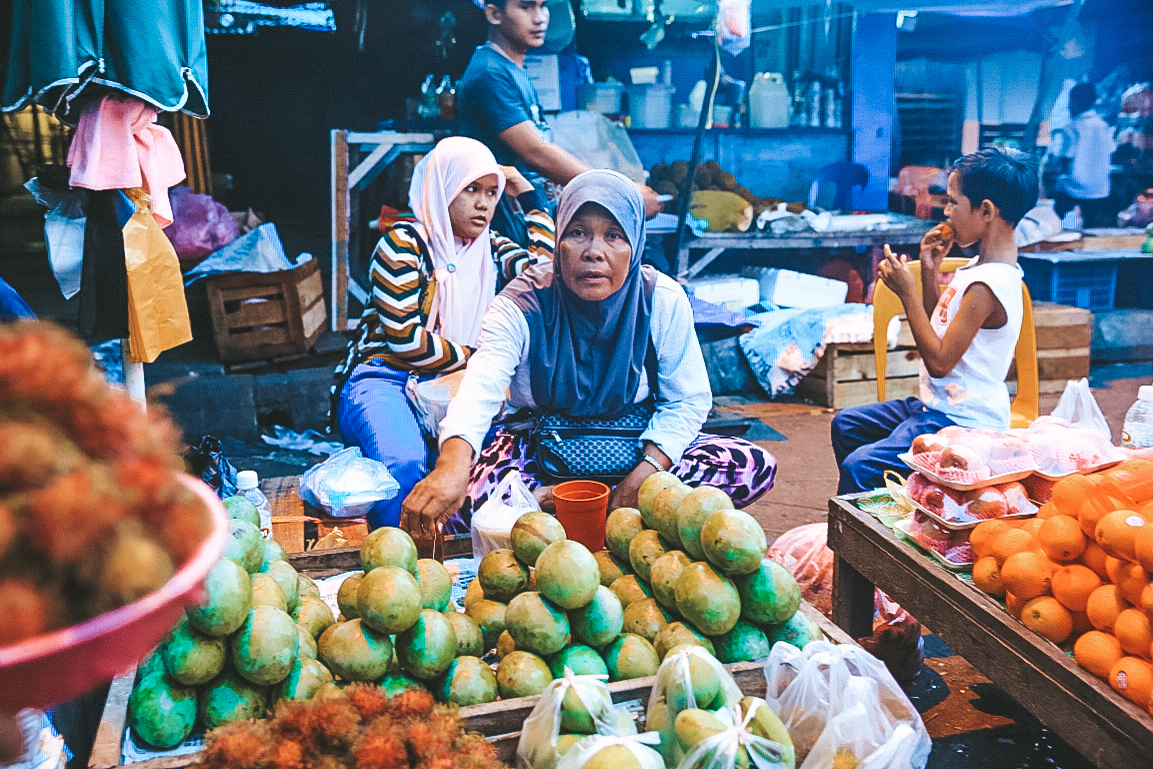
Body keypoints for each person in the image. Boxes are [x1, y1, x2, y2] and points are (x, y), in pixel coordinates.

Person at [401, 169, 777, 535]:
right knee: (464, 504)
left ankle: (566, 512)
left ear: (636, 243)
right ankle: (573, 509)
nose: (594, 252)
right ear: (558, 238)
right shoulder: (521, 304)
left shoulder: (660, 298)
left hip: (634, 445)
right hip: (541, 444)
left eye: (613, 236)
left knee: (751, 467)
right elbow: (479, 391)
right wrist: (451, 465)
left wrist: (641, 479)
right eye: (578, 233)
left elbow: (687, 401)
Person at [330, 136, 554, 530]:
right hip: (386, 374)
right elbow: (405, 339)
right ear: (442, 187)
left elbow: (545, 278)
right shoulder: (402, 245)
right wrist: (483, 357)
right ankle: (397, 554)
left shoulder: (492, 249)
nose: (484, 203)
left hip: (452, 380)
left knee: (493, 459)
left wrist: (531, 198)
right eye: (471, 189)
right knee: (403, 461)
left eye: (492, 192)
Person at [832, 148, 1038, 494]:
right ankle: (883, 513)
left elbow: (940, 362)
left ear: (985, 211)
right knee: (847, 425)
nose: (946, 211)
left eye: (954, 202)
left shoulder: (988, 286)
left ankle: (863, 541)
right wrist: (928, 270)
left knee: (861, 467)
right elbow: (937, 330)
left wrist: (907, 293)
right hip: (937, 406)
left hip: (964, 421)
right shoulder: (978, 269)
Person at [457, 0, 661, 233]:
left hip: (526, 215)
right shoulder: (490, 73)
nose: (540, 18)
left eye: (543, 6)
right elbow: (536, 152)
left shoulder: (511, 68)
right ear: (494, 14)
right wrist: (617, 190)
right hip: (502, 223)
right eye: (526, 7)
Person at [1052, 82, 1117, 228]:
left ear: (1074, 102)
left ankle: (1070, 232)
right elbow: (1111, 152)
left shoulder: (1072, 128)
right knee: (1094, 223)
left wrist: (1057, 179)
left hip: (1073, 188)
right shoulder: (1104, 126)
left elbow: (1065, 158)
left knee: (1063, 213)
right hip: (1100, 189)